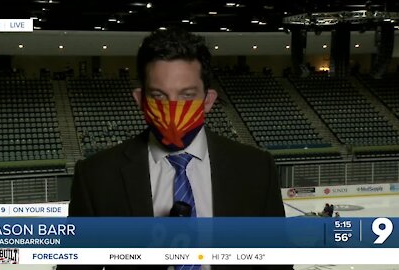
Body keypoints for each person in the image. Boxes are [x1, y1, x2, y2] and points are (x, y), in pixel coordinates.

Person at [58, 28, 291, 270]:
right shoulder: (96, 176)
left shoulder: (256, 169)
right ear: (140, 100)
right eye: (159, 96)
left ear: (208, 101)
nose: (172, 110)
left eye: (186, 96)